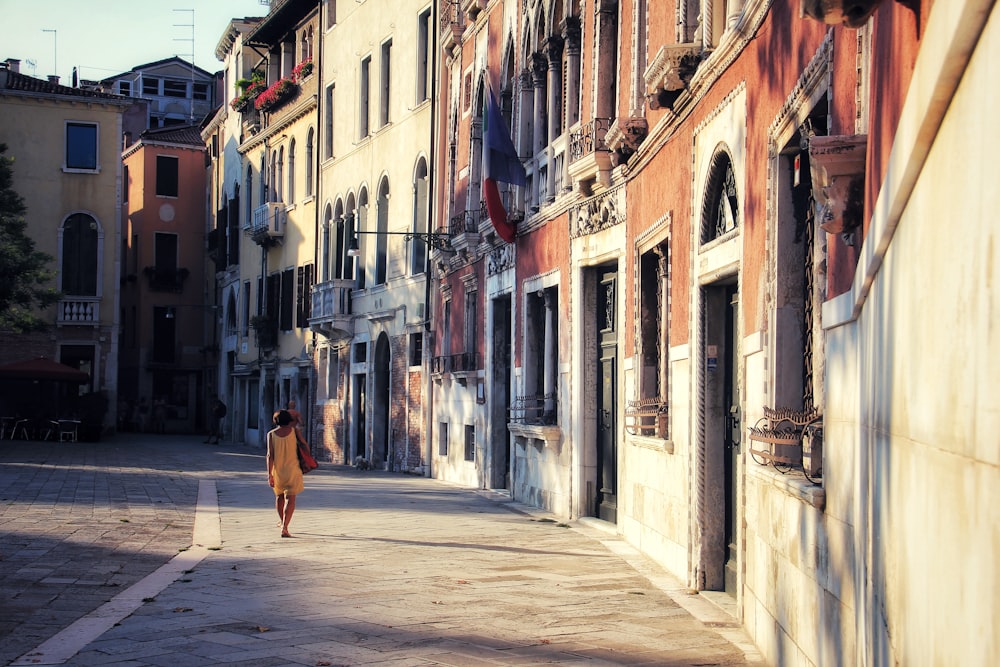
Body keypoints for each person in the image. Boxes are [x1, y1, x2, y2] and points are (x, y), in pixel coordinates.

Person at [266, 410, 304, 538]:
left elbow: (270, 455)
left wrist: (269, 474)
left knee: (280, 497)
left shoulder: (271, 435)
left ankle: (282, 522)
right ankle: (285, 527)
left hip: (278, 470)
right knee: (291, 499)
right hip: (293, 470)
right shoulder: (294, 432)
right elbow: (304, 445)